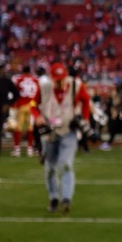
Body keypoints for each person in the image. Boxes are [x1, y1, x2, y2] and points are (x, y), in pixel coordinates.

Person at [36, 62, 91, 214]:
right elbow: (34, 104)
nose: (60, 82)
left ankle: (66, 198)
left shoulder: (76, 85)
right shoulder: (45, 87)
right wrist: (38, 116)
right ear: (52, 78)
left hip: (69, 129)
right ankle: (53, 197)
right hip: (49, 132)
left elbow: (86, 100)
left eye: (62, 79)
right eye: (57, 79)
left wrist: (85, 119)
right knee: (50, 169)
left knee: (66, 164)